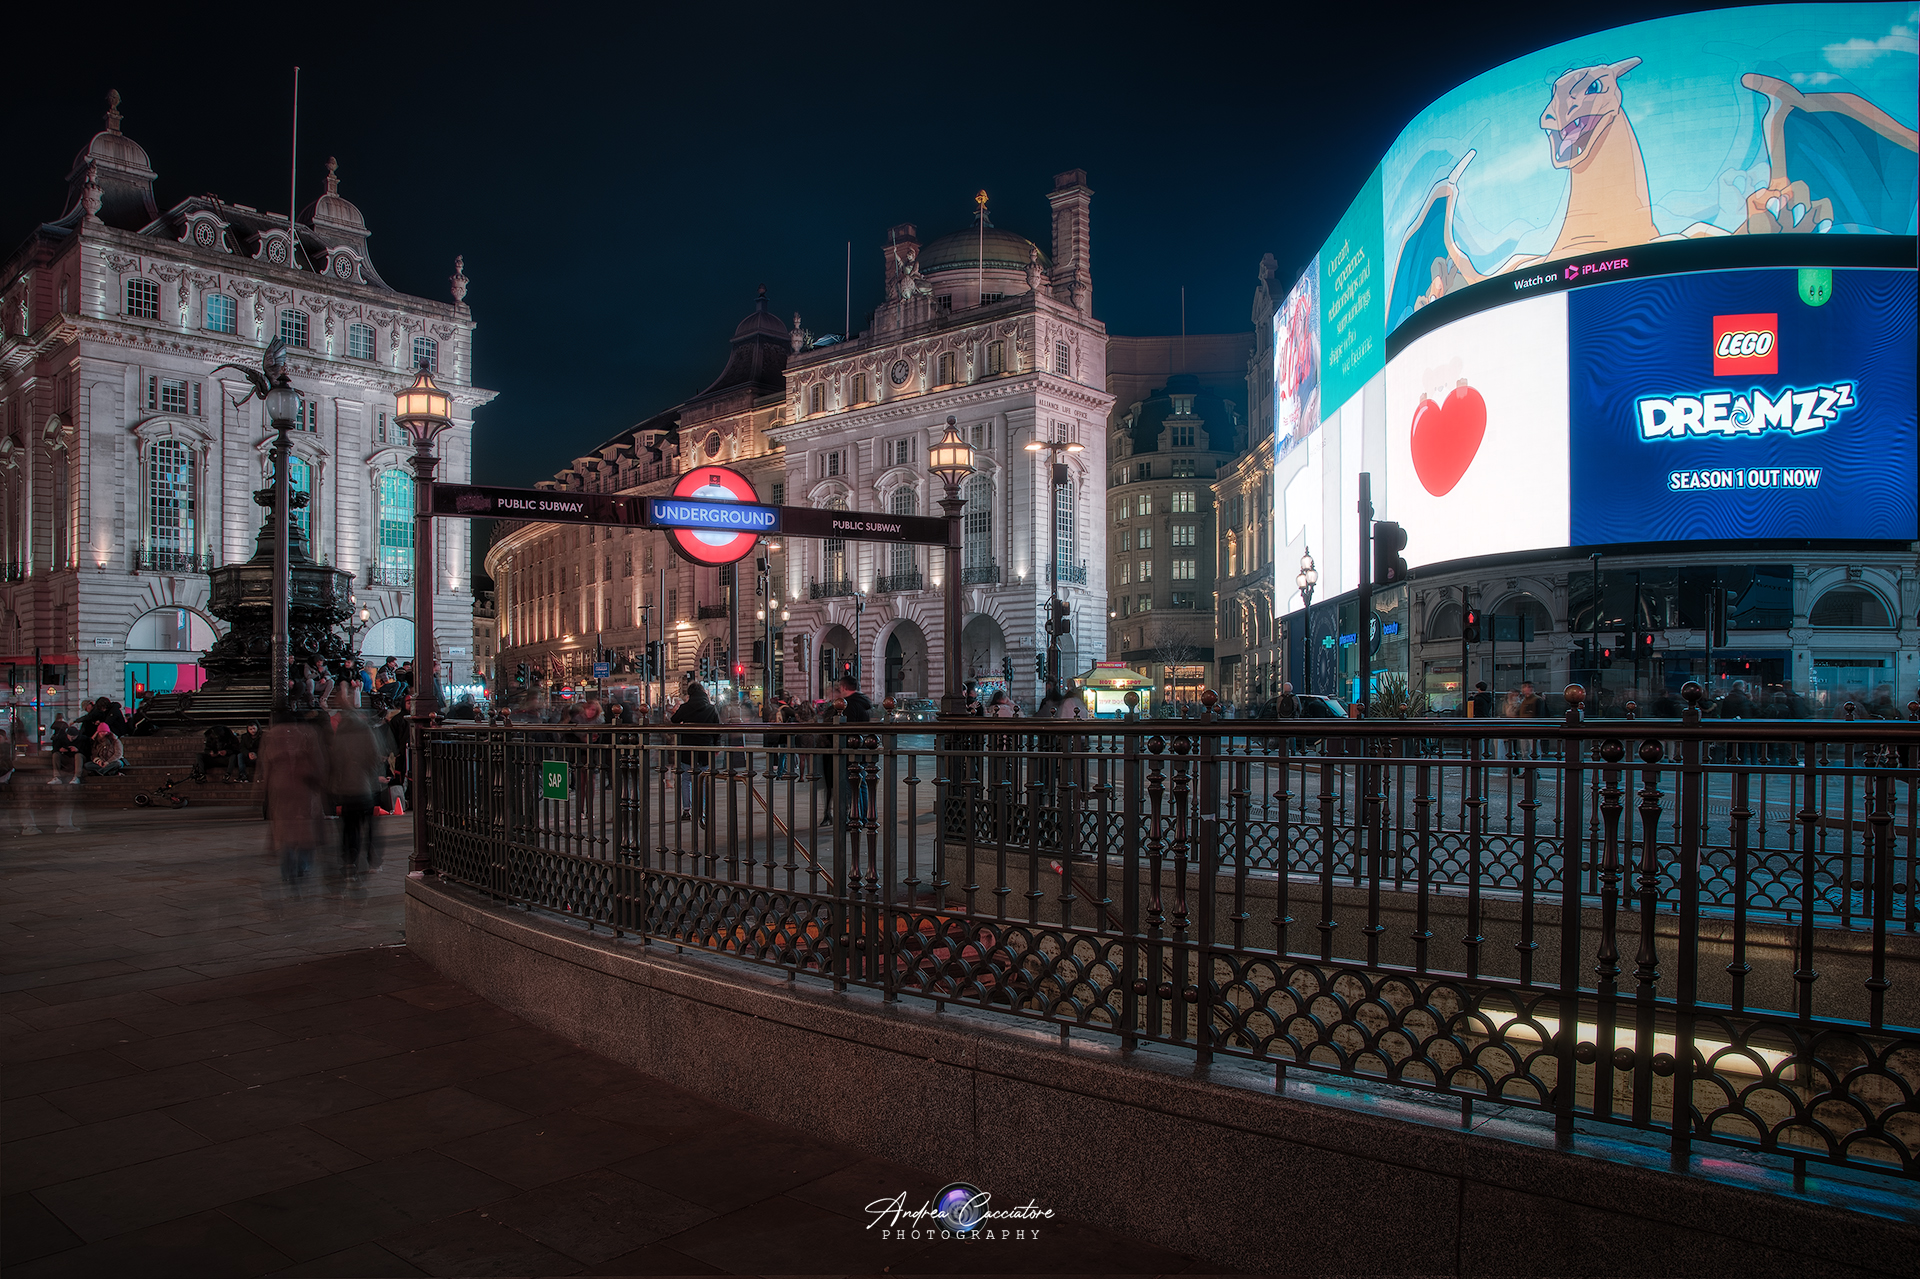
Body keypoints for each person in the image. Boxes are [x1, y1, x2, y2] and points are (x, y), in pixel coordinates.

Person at [327, 703, 384, 874]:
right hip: (365, 786)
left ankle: (350, 860)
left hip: (345, 790)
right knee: (370, 827)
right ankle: (372, 862)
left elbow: (334, 762)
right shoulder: (365, 730)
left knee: (349, 827)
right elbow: (374, 756)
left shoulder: (340, 734)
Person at [669, 680, 719, 821]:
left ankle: (687, 810)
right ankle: (701, 810)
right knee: (703, 779)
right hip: (705, 748)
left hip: (687, 747)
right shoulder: (711, 708)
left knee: (686, 779)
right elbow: (717, 729)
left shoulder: (685, 708)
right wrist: (716, 745)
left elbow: (674, 720)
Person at [49, 717, 84, 784]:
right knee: (56, 754)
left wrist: (77, 750)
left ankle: (77, 777)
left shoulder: (82, 739)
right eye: (70, 737)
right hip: (66, 757)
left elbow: (87, 752)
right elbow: (54, 750)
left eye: (73, 737)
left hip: (76, 758)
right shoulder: (62, 738)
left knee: (78, 755)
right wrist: (60, 750)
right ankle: (57, 777)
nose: (71, 739)